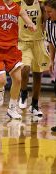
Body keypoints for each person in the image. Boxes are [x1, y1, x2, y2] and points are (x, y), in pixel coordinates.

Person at [18, 0, 50, 117]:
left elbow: (46, 22)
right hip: (23, 42)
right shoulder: (18, 5)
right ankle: (23, 93)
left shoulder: (40, 5)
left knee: (37, 75)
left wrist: (46, 39)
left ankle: (35, 105)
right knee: (25, 69)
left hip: (38, 42)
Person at [44, 0, 56, 131]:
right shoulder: (48, 23)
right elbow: (51, 43)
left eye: (50, 12)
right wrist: (52, 60)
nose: (47, 15)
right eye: (46, 12)